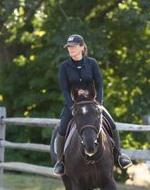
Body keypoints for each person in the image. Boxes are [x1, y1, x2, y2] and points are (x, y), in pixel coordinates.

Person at [54, 34, 132, 176]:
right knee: (62, 128)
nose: (70, 49)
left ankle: (120, 156)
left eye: (73, 46)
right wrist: (71, 106)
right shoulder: (64, 67)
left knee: (112, 125)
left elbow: (100, 84)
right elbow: (64, 89)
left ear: (82, 47)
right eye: (69, 47)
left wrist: (99, 104)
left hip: (93, 104)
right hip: (73, 104)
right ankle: (60, 161)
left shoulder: (92, 63)